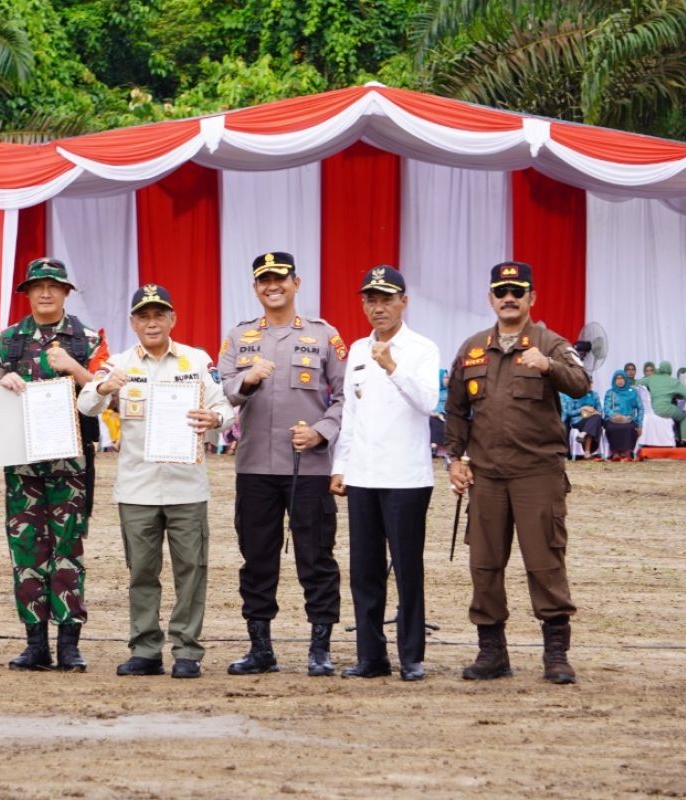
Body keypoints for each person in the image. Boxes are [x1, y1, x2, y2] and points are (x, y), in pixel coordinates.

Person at [78, 284, 234, 679]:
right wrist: (102, 388)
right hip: (138, 487)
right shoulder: (118, 363)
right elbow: (84, 404)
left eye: (159, 315)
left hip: (186, 485)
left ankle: (187, 651)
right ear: (133, 322)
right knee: (142, 572)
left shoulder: (196, 360)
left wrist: (214, 420)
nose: (152, 322)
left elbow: (224, 407)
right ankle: (145, 649)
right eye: (143, 316)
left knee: (191, 570)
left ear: (172, 319)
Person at [446, 261, 590, 685]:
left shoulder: (551, 342)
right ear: (491, 298)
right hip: (486, 475)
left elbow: (581, 382)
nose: (509, 298)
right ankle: (492, 652)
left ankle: (556, 655)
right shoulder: (473, 348)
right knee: (485, 564)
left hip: (537, 474)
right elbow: (455, 409)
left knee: (545, 563)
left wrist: (548, 365)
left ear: (532, 298)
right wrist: (454, 458)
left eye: (518, 291)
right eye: (501, 291)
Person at [218, 251, 346, 677]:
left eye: (280, 279)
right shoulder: (239, 338)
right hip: (255, 465)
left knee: (316, 556)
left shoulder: (323, 335)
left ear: (297, 282)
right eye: (263, 280)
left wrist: (322, 432)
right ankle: (260, 648)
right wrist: (246, 379)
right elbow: (222, 392)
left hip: (306, 466)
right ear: (256, 288)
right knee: (257, 558)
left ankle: (320, 648)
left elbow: (348, 397)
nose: (272, 286)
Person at [0, 257, 108, 672]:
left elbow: (105, 390)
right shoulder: (9, 342)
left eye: (53, 286)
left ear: (66, 292)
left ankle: (69, 644)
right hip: (23, 470)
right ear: (26, 293)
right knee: (27, 555)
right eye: (37, 286)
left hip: (70, 469)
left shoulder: (88, 340)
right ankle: (35, 643)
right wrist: (1, 384)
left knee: (68, 553)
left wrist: (74, 368)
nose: (44, 293)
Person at [330, 266, 440, 682]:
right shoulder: (357, 349)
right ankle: (370, 656)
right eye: (370, 300)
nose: (378, 308)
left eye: (386, 300)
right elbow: (351, 415)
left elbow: (429, 402)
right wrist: (340, 466)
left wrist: (393, 367)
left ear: (404, 303)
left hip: (406, 477)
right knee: (364, 570)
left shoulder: (422, 348)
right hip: (362, 474)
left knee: (408, 568)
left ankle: (412, 655)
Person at [636, 361, 686, 444]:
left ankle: (676, 437)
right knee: (683, 416)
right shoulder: (673, 381)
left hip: (652, 409)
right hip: (665, 410)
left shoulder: (652, 378)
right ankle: (684, 439)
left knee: (675, 410)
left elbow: (637, 383)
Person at [603, 369, 642, 460]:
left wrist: (639, 423)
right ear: (614, 380)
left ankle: (627, 452)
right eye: (617, 379)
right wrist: (614, 415)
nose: (620, 381)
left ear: (625, 379)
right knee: (611, 427)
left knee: (630, 427)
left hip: (629, 418)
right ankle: (615, 452)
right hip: (613, 418)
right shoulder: (610, 393)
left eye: (622, 378)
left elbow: (640, 408)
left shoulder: (632, 392)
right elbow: (606, 408)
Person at [563, 379, 603, 459]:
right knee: (593, 422)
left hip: (592, 418)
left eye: (590, 383)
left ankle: (583, 434)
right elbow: (569, 412)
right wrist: (582, 409)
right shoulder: (574, 394)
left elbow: (600, 411)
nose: (589, 385)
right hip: (578, 420)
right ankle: (587, 451)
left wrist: (592, 412)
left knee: (595, 419)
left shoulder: (594, 395)